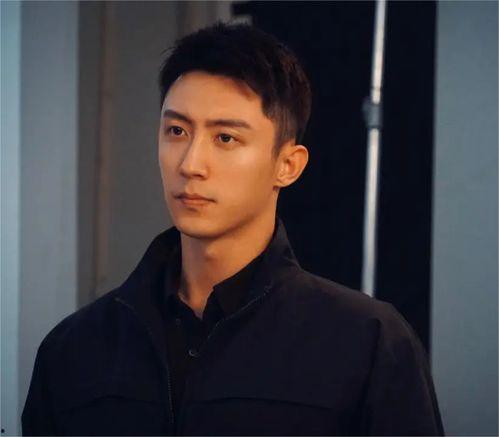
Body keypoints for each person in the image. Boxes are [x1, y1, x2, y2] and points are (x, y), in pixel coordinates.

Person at [22, 22, 444, 436]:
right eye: (176, 131)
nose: (190, 164)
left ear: (288, 165)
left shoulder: (366, 344)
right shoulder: (74, 348)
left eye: (225, 138)